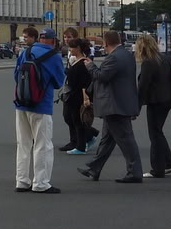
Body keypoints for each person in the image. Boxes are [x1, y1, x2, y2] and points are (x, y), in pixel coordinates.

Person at [77, 30, 144, 183]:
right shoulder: (126, 55)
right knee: (107, 140)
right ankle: (94, 168)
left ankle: (134, 172)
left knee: (126, 139)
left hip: (115, 105)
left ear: (106, 43)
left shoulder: (114, 58)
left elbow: (102, 76)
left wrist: (90, 66)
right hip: (119, 103)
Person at [13, 28, 65, 194]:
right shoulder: (54, 56)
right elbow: (58, 82)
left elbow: (16, 75)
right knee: (43, 145)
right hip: (41, 104)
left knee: (23, 144)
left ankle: (21, 181)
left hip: (21, 103)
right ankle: (41, 183)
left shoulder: (25, 52)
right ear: (52, 40)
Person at [136, 35, 171, 179]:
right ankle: (168, 164)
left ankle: (158, 169)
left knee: (155, 134)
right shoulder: (164, 58)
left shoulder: (148, 62)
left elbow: (142, 87)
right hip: (167, 99)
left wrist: (136, 108)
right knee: (158, 132)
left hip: (156, 101)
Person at [60, 37, 99, 155]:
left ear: (78, 48)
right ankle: (88, 136)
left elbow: (84, 83)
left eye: (72, 47)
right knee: (69, 117)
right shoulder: (74, 60)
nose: (70, 49)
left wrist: (85, 98)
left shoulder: (83, 63)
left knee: (78, 120)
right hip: (71, 94)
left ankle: (81, 146)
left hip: (77, 95)